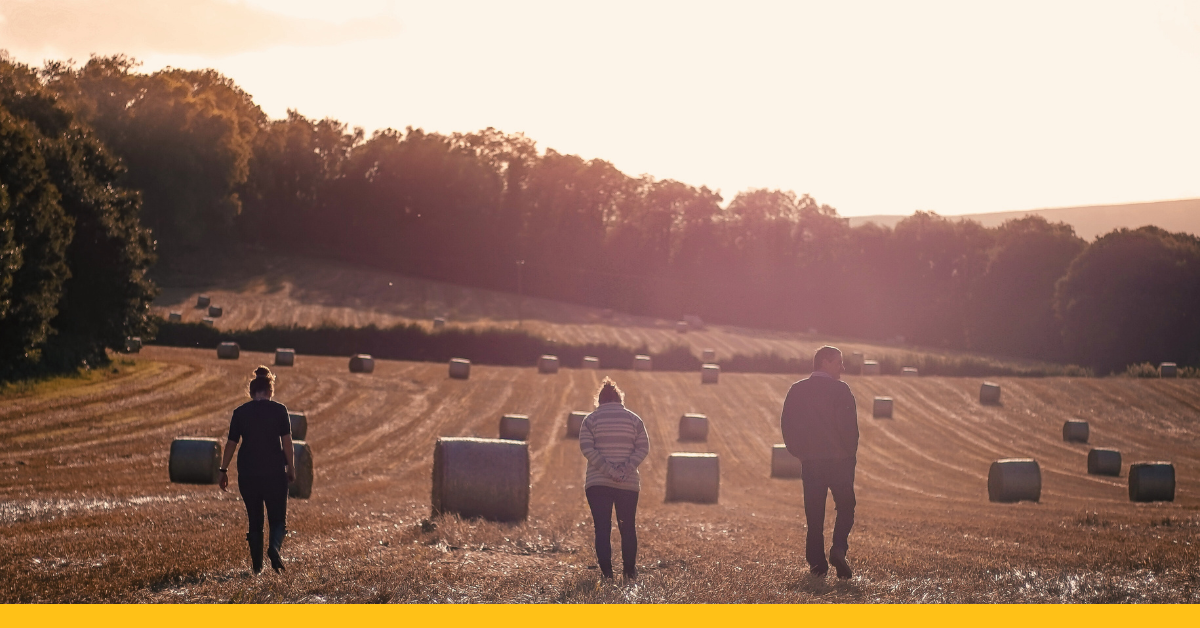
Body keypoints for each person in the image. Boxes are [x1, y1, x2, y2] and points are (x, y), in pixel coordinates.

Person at [779, 345, 859, 579]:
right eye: (838, 362)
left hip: (811, 462)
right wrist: (849, 454)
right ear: (824, 361)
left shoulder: (796, 390)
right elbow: (849, 428)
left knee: (814, 515)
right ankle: (838, 549)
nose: (842, 367)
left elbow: (787, 426)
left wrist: (799, 453)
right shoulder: (841, 390)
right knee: (846, 506)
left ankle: (817, 565)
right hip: (839, 462)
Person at [219, 366, 296, 574]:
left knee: (255, 520)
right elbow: (287, 443)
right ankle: (274, 548)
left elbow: (231, 444)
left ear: (252, 392)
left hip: (248, 473)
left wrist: (223, 469)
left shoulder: (240, 412)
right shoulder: (280, 410)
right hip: (274, 471)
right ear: (270, 391)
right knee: (278, 519)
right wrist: (291, 467)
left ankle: (257, 568)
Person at [579, 377, 650, 582]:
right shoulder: (634, 420)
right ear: (620, 399)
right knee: (627, 527)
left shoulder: (590, 420)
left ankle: (607, 575)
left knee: (602, 528)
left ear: (599, 400)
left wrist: (607, 470)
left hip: (597, 482)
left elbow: (587, 448)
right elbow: (643, 448)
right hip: (627, 483)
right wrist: (625, 469)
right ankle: (629, 573)